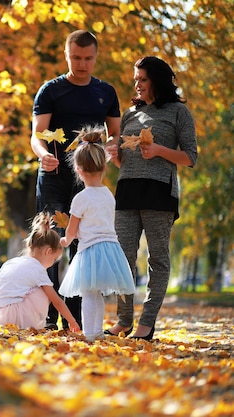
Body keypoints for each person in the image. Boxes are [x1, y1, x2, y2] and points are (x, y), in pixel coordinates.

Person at [30, 29, 121, 330]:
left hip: (89, 181)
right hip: (54, 176)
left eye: (88, 58)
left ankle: (76, 320)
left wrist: (112, 146)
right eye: (76, 58)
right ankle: (47, 318)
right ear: (67, 55)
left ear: (96, 57)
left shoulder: (106, 92)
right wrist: (42, 153)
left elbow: (116, 134)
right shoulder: (50, 91)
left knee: (83, 243)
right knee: (52, 242)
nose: (82, 64)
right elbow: (37, 134)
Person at [106, 56, 198, 340]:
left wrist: (159, 150)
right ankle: (123, 320)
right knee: (123, 258)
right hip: (128, 190)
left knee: (157, 259)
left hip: (160, 192)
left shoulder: (178, 113)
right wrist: (114, 154)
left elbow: (190, 157)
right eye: (136, 79)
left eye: (142, 79)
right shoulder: (130, 114)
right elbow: (125, 161)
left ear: (156, 80)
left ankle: (146, 323)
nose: (137, 84)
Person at [57, 127, 135, 341]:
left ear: (78, 169)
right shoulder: (109, 195)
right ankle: (97, 332)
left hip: (89, 250)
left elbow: (72, 230)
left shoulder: (80, 198)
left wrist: (65, 240)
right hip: (110, 249)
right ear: (103, 167)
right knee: (97, 293)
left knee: (88, 294)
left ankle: (90, 333)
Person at [0, 212, 80, 332]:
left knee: (33, 288)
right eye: (54, 259)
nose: (52, 264)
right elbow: (57, 301)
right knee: (44, 292)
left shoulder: (13, 262)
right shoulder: (38, 270)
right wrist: (72, 321)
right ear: (48, 252)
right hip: (13, 315)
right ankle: (29, 322)